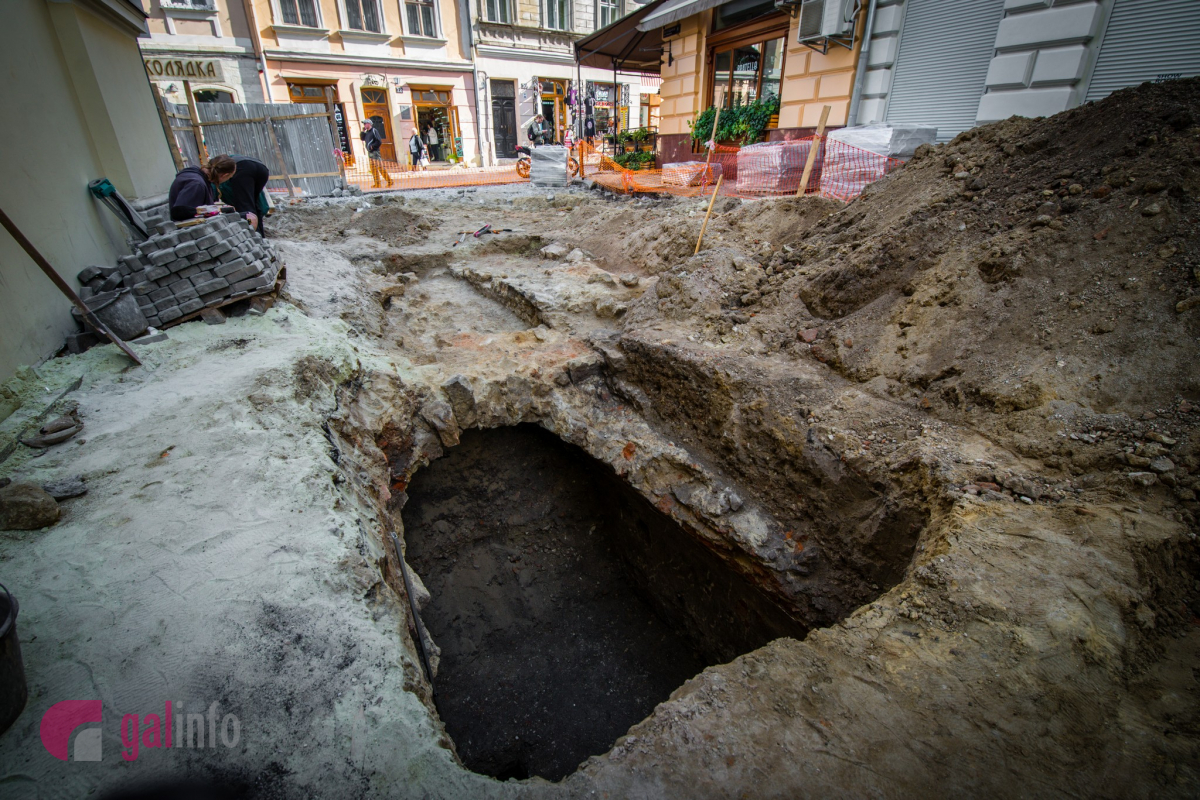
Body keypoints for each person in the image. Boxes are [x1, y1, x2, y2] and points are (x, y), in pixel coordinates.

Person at [168, 155, 242, 223]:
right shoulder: (196, 184)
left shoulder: (201, 178)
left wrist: (215, 209)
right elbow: (178, 212)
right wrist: (208, 210)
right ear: (225, 175)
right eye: (229, 177)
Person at [217, 155, 270, 236]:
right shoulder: (225, 162)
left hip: (243, 168)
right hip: (262, 168)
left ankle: (252, 236)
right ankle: (260, 237)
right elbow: (260, 203)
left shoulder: (217, 175)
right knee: (254, 205)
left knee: (245, 209)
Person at [361, 120, 394, 188]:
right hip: (370, 152)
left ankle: (389, 181)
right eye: (364, 124)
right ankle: (377, 183)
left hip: (375, 152)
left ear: (369, 124)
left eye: (365, 124)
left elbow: (379, 141)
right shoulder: (367, 132)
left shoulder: (374, 131)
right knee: (373, 169)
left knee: (380, 167)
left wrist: (373, 146)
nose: (364, 125)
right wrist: (362, 131)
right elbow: (362, 138)